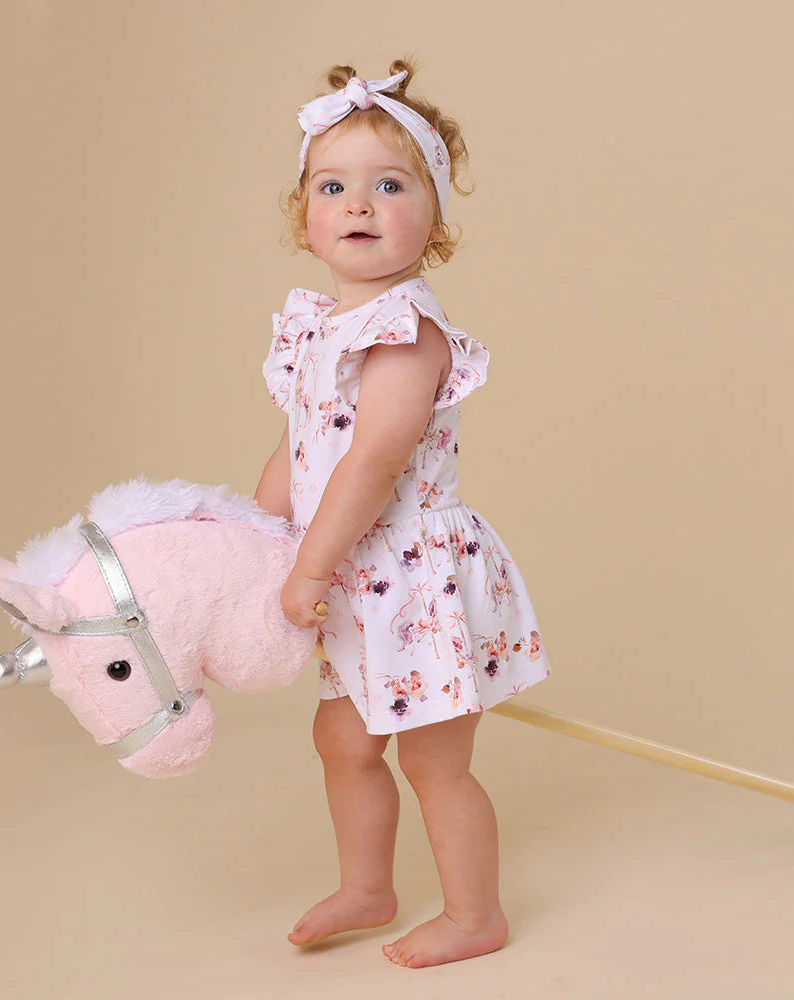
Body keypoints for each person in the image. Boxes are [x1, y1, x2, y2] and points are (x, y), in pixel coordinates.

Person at [254, 58, 552, 969]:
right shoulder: (320, 329)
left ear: (436, 221)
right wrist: (251, 540)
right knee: (342, 739)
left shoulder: (407, 330)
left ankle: (474, 914)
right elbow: (299, 452)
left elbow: (374, 459)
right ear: (303, 216)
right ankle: (367, 887)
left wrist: (308, 565)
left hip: (412, 578)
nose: (358, 203)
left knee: (432, 759)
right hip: (355, 577)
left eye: (390, 185)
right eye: (332, 186)